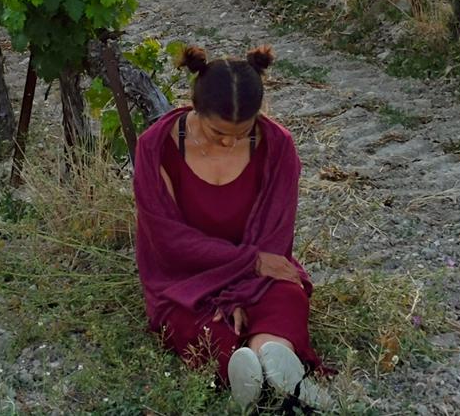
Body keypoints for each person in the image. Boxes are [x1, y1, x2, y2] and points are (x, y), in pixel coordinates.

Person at [133, 43, 337, 411]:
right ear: (195, 108)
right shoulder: (155, 149)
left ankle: (272, 361)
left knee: (286, 294)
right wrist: (229, 290)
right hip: (185, 282)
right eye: (217, 133)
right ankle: (250, 372)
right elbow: (169, 244)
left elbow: (274, 240)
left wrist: (241, 290)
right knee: (191, 324)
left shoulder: (278, 147)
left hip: (259, 276)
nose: (230, 141)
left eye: (242, 133)